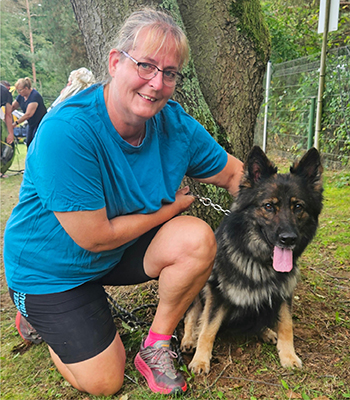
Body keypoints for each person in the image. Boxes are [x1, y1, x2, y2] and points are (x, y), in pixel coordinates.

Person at [4, 7, 243, 397]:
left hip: (113, 252)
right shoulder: (69, 131)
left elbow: (236, 175)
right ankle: (37, 314)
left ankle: (155, 347)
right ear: (116, 62)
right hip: (50, 269)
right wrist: (168, 210)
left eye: (169, 73)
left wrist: (280, 207)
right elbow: (95, 237)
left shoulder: (176, 127)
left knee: (196, 240)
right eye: (146, 65)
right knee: (104, 382)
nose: (156, 83)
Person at [11, 77, 47, 148]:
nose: (18, 92)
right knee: (28, 142)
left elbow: (28, 114)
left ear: (26, 88)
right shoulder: (21, 96)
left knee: (36, 141)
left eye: (20, 90)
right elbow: (13, 107)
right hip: (31, 123)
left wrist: (15, 123)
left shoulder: (34, 96)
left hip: (40, 123)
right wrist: (5, 114)